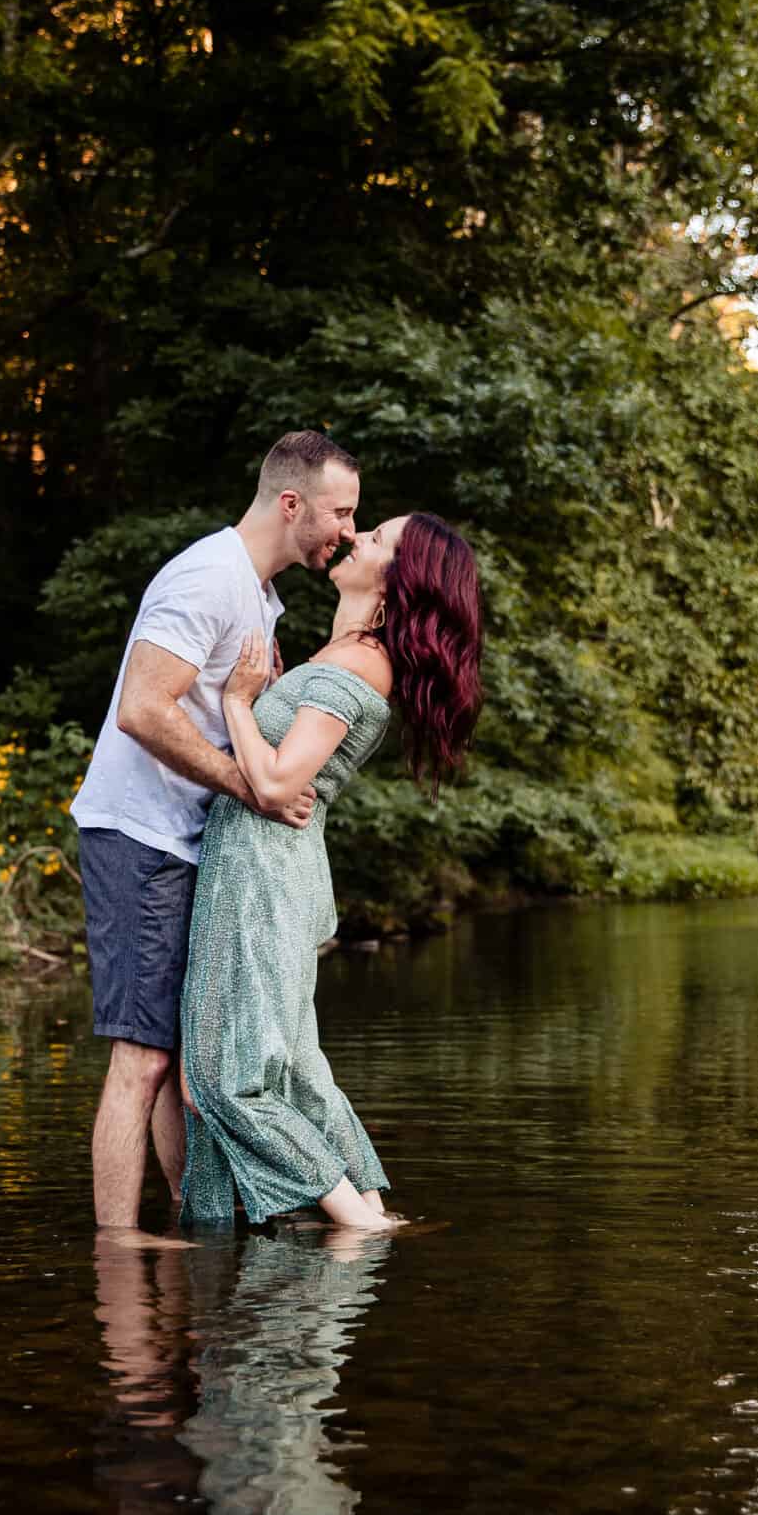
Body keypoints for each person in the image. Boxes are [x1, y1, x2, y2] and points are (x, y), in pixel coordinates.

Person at [76, 432, 360, 1230]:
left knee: (184, 1060)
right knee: (143, 1058)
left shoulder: (260, 597)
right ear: (292, 502)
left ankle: (187, 1227)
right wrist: (248, 786)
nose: (345, 531)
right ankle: (121, 1250)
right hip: (140, 837)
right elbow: (141, 709)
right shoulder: (207, 577)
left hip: (187, 841)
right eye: (341, 513)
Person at [177, 513, 484, 1231]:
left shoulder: (359, 664)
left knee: (221, 1080)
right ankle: (347, 1211)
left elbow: (278, 783)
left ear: (397, 579)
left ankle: (360, 1224)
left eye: (376, 539)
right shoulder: (344, 653)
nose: (357, 539)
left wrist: (236, 701)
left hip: (258, 871)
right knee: (291, 1069)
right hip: (271, 870)